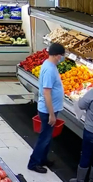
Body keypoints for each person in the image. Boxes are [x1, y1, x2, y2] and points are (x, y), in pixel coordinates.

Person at [28, 43, 66, 173]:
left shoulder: (50, 65)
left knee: (47, 137)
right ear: (56, 56)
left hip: (51, 109)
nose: (62, 58)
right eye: (62, 55)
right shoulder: (49, 70)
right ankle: (33, 163)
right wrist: (51, 114)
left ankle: (42, 159)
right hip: (48, 110)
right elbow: (46, 93)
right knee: (44, 138)